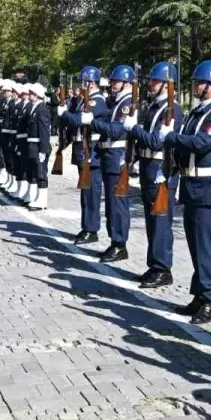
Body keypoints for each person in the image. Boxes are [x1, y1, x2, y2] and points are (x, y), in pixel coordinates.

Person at [145, 60, 211, 325]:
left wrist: (170, 137)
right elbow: (186, 148)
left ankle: (210, 300)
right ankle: (199, 295)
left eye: (200, 82)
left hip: (209, 190)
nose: (196, 86)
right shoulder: (198, 112)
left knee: (206, 247)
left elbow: (200, 144)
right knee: (196, 245)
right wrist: (170, 168)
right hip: (192, 187)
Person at [127, 61, 184, 289]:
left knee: (161, 222)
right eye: (151, 80)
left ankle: (162, 268)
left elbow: (157, 142)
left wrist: (134, 129)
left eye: (155, 81)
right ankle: (154, 265)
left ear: (167, 85)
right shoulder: (155, 107)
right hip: (148, 169)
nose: (150, 84)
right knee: (152, 221)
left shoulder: (174, 110)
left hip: (162, 171)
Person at [86, 65, 137, 262]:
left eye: (115, 81)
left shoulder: (127, 103)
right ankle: (114, 242)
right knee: (110, 205)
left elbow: (115, 130)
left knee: (117, 205)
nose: (112, 85)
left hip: (118, 157)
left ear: (125, 83)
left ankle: (120, 244)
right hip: (110, 156)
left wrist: (92, 122)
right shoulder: (117, 102)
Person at [61, 67, 108, 245]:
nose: (81, 85)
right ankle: (86, 226)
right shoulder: (85, 100)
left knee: (91, 194)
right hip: (84, 151)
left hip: (93, 153)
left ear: (91, 83)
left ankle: (92, 229)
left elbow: (80, 120)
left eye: (84, 82)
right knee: (85, 192)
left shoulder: (97, 102)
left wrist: (65, 114)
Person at [24, 83, 51, 209]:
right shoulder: (34, 108)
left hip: (38, 145)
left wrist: (43, 150)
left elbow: (45, 131)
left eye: (31, 93)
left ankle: (43, 201)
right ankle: (36, 197)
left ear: (37, 95)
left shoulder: (42, 109)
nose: (29, 95)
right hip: (32, 144)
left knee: (41, 173)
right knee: (34, 172)